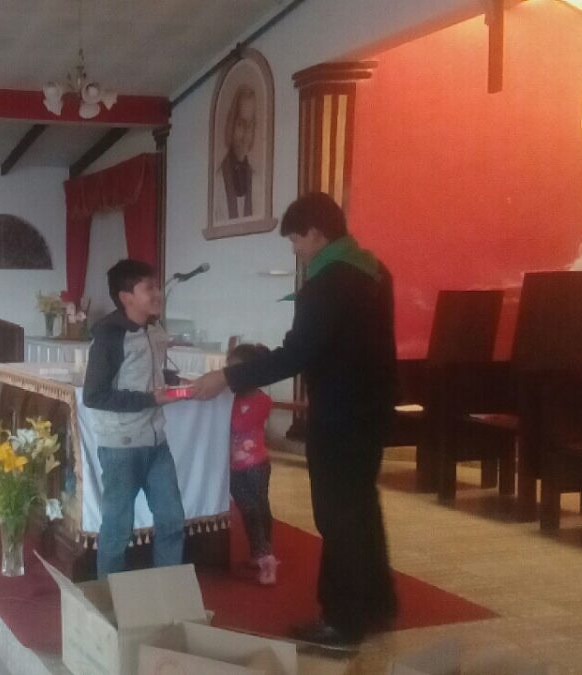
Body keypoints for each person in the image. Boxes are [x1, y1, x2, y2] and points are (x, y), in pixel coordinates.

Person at [192, 192, 398, 647]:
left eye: (296, 241)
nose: (296, 250)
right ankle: (377, 603)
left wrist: (228, 377)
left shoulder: (327, 283)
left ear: (317, 234)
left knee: (337, 515)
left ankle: (342, 620)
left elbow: (295, 355)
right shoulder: (375, 271)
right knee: (362, 506)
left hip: (339, 414)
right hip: (371, 411)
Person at [82, 259, 185, 578]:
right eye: (148, 288)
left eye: (157, 286)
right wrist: (150, 399)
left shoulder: (155, 329)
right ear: (126, 297)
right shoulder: (109, 336)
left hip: (157, 442)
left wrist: (172, 382)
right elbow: (94, 395)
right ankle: (108, 597)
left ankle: (167, 592)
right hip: (121, 446)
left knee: (172, 520)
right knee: (117, 530)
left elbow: (143, 373)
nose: (157, 293)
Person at [226, 343, 279, 585]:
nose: (230, 376)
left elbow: (238, 424)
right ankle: (261, 551)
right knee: (250, 509)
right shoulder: (231, 398)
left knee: (257, 508)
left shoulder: (262, 400)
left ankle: (265, 556)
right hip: (235, 467)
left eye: (235, 371)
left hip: (256, 465)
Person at [213, 84, 260, 222]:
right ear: (231, 125)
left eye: (250, 125)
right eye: (240, 124)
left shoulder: (257, 182)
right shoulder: (217, 182)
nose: (245, 134)